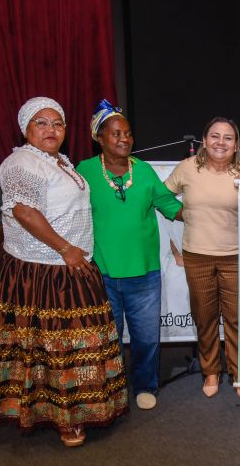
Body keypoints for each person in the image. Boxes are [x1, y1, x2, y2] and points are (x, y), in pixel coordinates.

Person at [0, 97, 128, 447]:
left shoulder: (57, 161)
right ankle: (65, 419)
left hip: (69, 264)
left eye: (58, 124)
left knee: (69, 345)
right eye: (42, 123)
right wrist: (66, 248)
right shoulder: (21, 162)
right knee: (52, 346)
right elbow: (23, 212)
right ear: (26, 128)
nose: (51, 130)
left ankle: (75, 410)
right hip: (40, 271)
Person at [76, 99, 183, 411]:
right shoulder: (84, 172)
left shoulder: (145, 172)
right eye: (115, 134)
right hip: (103, 274)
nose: (124, 139)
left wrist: (211, 213)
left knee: (146, 339)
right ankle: (109, 388)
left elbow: (172, 208)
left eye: (128, 133)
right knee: (106, 339)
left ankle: (146, 386)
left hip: (144, 274)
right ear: (99, 138)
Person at [164, 117, 240, 401]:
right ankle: (211, 372)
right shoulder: (187, 168)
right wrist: (180, 213)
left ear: (236, 144)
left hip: (235, 256)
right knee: (205, 318)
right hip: (197, 256)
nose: (221, 142)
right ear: (204, 141)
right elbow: (162, 196)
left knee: (236, 318)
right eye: (215, 136)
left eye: (228, 137)